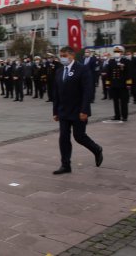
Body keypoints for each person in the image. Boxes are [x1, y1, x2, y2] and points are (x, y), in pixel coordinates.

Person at [52, 47, 103, 175]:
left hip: (78, 110)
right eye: (61, 55)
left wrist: (84, 110)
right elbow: (56, 92)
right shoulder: (59, 71)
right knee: (63, 137)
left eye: (64, 55)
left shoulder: (82, 69)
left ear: (72, 55)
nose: (62, 58)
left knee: (79, 136)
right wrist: (55, 111)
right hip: (63, 111)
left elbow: (88, 91)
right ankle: (65, 165)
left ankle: (96, 149)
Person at [106, 46, 133, 121]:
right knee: (115, 101)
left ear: (121, 53)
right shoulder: (111, 61)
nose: (116, 53)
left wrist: (128, 84)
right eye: (115, 52)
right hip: (114, 84)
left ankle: (124, 116)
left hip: (123, 84)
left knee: (123, 101)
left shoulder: (126, 61)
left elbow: (129, 73)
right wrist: (108, 84)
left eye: (118, 52)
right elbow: (109, 73)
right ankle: (117, 115)